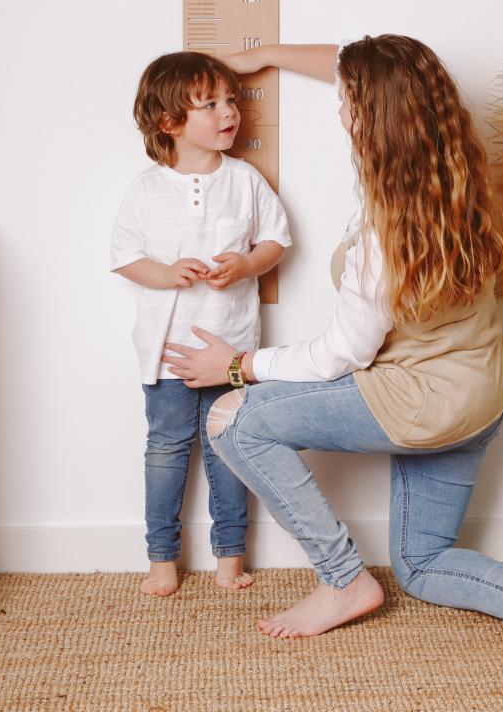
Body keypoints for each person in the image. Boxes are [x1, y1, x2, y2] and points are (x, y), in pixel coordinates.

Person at [162, 36, 503, 673]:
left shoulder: (382, 237)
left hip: (417, 406)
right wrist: (268, 54)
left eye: (348, 102)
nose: (339, 107)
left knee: (233, 419)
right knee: (422, 565)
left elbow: (338, 356)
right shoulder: (462, 177)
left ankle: (343, 578)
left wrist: (238, 366)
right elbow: (356, 61)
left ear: (371, 119)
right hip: (482, 399)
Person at [111, 51, 291, 597]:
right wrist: (165, 273)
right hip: (164, 353)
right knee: (165, 449)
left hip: (231, 350)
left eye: (231, 100)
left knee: (227, 448)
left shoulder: (245, 180)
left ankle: (229, 556)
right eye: (210, 104)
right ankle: (161, 557)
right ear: (170, 122)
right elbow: (123, 256)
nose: (229, 112)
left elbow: (277, 240)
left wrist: (248, 264)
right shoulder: (147, 188)